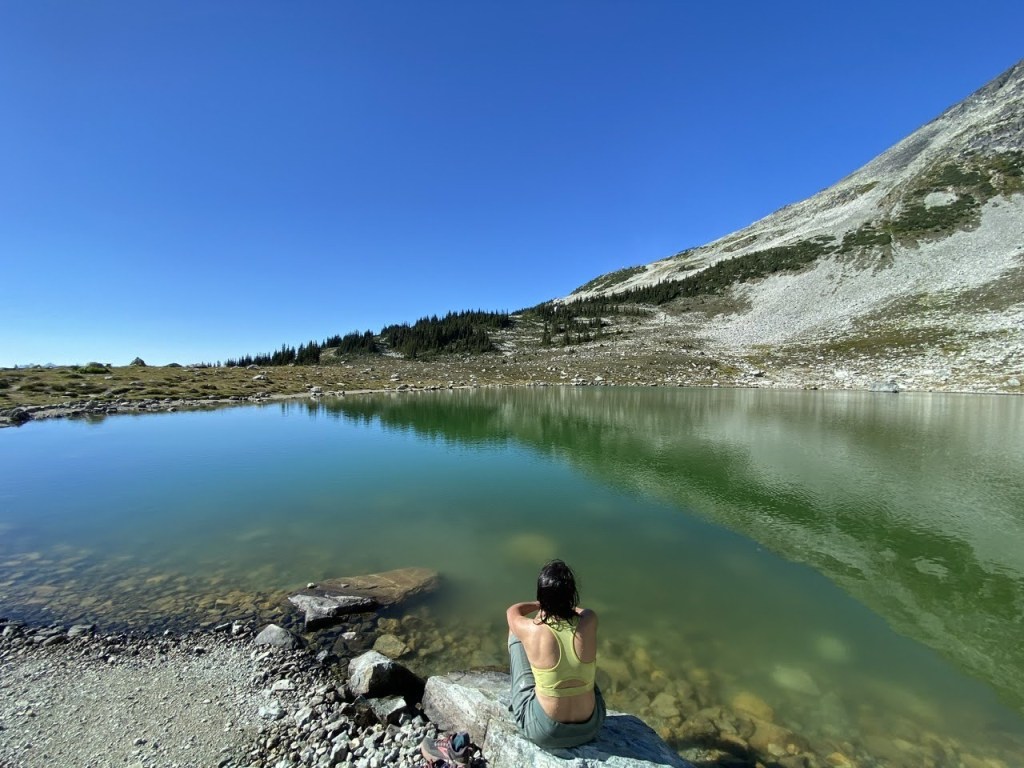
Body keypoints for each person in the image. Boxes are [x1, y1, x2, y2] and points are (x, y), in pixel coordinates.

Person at [505, 559, 606, 749]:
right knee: (586, 668)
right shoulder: (590, 619)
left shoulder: (532, 630)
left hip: (545, 733)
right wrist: (560, 604)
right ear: (572, 595)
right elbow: (579, 611)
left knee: (515, 632)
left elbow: (513, 611)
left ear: (542, 595)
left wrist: (540, 605)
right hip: (591, 727)